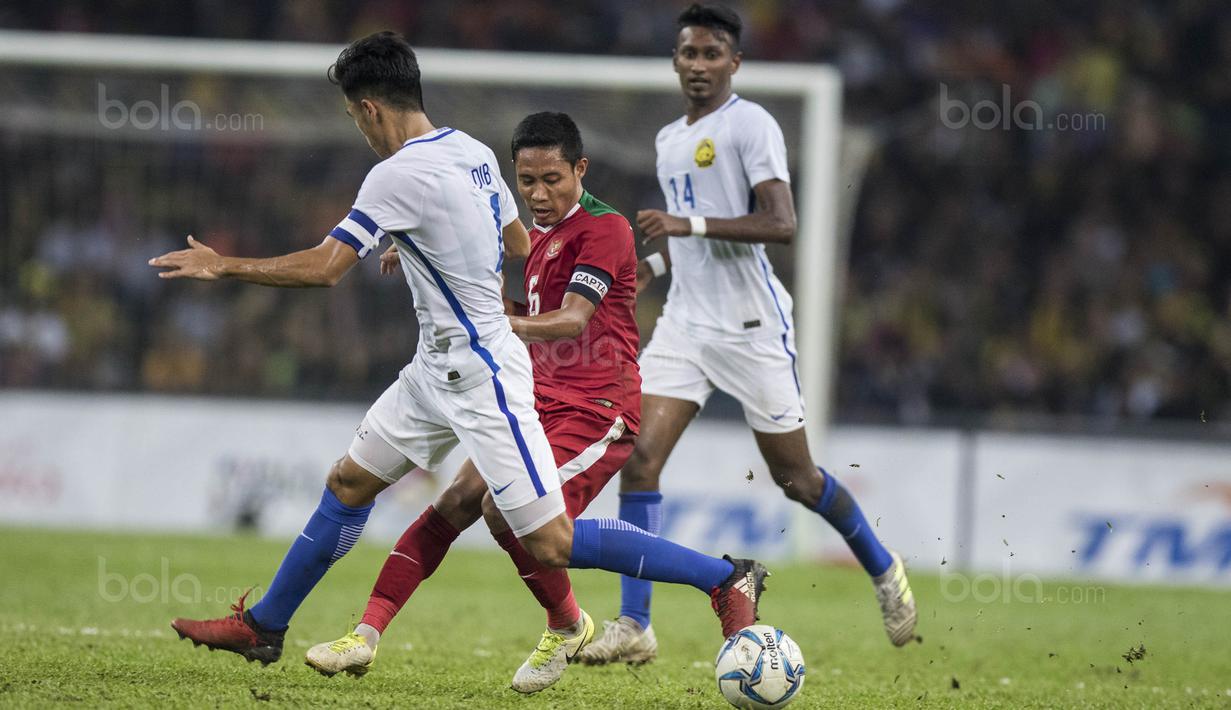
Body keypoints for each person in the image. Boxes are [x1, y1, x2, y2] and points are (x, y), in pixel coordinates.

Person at [154, 30, 767, 675]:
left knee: (549, 539)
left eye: (352, 115)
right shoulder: (471, 151)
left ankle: (725, 579)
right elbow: (513, 242)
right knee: (350, 481)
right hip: (431, 370)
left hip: (484, 374)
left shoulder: (393, 176)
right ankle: (265, 626)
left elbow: (325, 268)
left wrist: (224, 266)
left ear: (367, 109)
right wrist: (422, 244)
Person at [578, 4, 917, 665]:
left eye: (711, 54)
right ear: (674, 61)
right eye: (688, 53)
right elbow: (687, 239)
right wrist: (651, 264)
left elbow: (781, 221)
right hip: (685, 323)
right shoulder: (668, 138)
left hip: (751, 326)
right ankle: (635, 624)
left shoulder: (750, 124)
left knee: (795, 478)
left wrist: (688, 227)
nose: (698, 65)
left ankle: (882, 567)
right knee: (638, 457)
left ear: (734, 63)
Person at [305, 111, 644, 693]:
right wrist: (416, 254)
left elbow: (568, 323)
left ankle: (649, 600)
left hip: (597, 406)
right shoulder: (535, 236)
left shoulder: (605, 228)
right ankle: (364, 634)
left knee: (519, 520)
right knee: (459, 499)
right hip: (537, 396)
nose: (538, 194)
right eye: (527, 181)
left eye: (552, 179)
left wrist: (492, 327)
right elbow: (487, 289)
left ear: (580, 169)